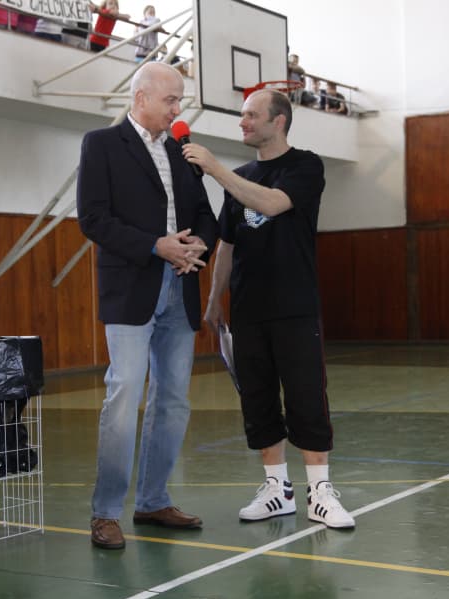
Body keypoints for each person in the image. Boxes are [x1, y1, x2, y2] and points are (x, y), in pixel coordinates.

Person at [181, 89, 356, 529]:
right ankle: (277, 489)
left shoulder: (305, 166)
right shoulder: (239, 176)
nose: (242, 122)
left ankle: (320, 493)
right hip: (248, 310)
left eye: (251, 115)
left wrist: (215, 169)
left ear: (278, 121)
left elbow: (272, 204)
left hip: (295, 307)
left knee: (305, 398)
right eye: (241, 115)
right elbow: (228, 243)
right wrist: (215, 298)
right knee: (257, 401)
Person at [76, 62, 219, 550]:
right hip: (132, 287)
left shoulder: (183, 151)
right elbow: (93, 219)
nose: (178, 109)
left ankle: (154, 500)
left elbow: (206, 215)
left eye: (180, 100)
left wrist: (198, 245)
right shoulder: (101, 144)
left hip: (181, 286)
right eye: (170, 100)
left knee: (173, 399)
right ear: (140, 98)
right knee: (124, 395)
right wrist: (156, 246)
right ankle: (106, 512)